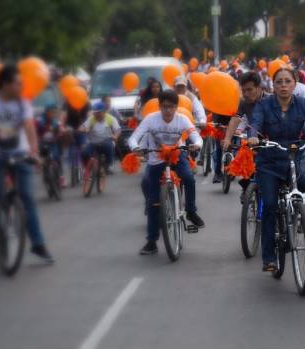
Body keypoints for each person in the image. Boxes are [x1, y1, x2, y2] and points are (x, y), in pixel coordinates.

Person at [248, 67, 305, 272]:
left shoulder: (302, 104)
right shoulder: (263, 105)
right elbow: (255, 123)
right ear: (273, 85)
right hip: (269, 161)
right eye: (279, 82)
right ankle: (269, 258)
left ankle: (298, 215)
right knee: (269, 205)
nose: (283, 85)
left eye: (287, 81)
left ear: (295, 84)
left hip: (295, 157)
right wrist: (252, 136)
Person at [0, 64, 54, 262]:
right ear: (5, 84)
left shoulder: (22, 103)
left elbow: (29, 127)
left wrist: (34, 152)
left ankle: (38, 244)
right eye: (17, 83)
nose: (21, 86)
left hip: (19, 153)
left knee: (27, 197)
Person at [128, 90, 204, 255]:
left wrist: (196, 145)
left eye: (171, 107)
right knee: (152, 201)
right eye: (164, 107)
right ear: (159, 106)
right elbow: (133, 138)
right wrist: (135, 148)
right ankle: (151, 241)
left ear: (176, 107)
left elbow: (197, 137)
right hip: (156, 158)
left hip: (177, 155)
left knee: (189, 178)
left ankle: (191, 211)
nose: (167, 110)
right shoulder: (151, 119)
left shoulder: (182, 119)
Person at [222, 71, 268, 197]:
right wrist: (227, 139)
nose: (246, 94)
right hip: (252, 140)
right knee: (248, 167)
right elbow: (235, 119)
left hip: (270, 141)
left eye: (249, 90)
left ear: (259, 88)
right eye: (243, 90)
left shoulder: (271, 100)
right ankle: (248, 190)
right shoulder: (243, 103)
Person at [79, 101, 120, 173]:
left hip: (106, 140)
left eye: (98, 112)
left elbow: (117, 129)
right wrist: (82, 129)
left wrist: (116, 136)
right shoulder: (91, 119)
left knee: (108, 146)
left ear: (104, 111)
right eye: (95, 113)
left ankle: (109, 164)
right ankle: (86, 168)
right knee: (84, 152)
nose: (96, 115)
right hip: (93, 142)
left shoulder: (111, 119)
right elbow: (83, 127)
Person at [37, 104, 65, 185]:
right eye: (51, 112)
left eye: (54, 112)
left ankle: (60, 177)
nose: (53, 113)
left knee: (56, 157)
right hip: (43, 143)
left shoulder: (54, 120)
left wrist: (60, 129)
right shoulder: (41, 119)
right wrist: (47, 127)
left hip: (53, 142)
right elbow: (39, 124)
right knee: (43, 157)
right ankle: (45, 172)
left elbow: (58, 126)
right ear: (47, 112)